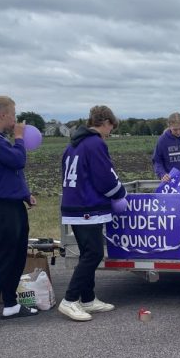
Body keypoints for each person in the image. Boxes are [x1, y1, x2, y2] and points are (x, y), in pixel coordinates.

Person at [58, 105, 126, 321]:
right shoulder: (95, 144)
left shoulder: (72, 145)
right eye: (111, 128)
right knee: (93, 254)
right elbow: (105, 177)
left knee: (88, 252)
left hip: (74, 204)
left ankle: (88, 298)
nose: (110, 132)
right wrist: (119, 193)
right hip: (87, 206)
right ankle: (69, 300)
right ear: (105, 122)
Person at [0, 96, 39, 330]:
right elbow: (18, 160)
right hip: (1, 208)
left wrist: (25, 194)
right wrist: (20, 138)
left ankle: (11, 304)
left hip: (14, 205)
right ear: (3, 115)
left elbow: (11, 172)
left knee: (18, 257)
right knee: (3, 259)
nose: (16, 120)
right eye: (13, 114)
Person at [152, 112, 180, 181]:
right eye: (175, 129)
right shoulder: (162, 140)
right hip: (170, 181)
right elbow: (157, 161)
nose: (178, 132)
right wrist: (162, 174)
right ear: (169, 126)